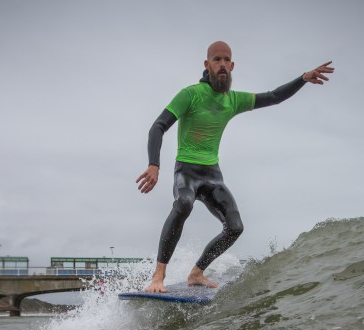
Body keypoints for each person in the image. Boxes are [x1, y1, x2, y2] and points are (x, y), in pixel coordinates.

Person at [136, 41, 334, 293]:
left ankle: (196, 273)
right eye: (216, 59)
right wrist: (154, 164)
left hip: (213, 175)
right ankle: (158, 276)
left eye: (226, 60)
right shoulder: (191, 94)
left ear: (232, 66)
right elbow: (158, 126)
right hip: (186, 171)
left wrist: (303, 78)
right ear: (207, 64)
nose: (222, 64)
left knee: (235, 227)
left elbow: (274, 97)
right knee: (183, 204)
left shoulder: (234, 100)